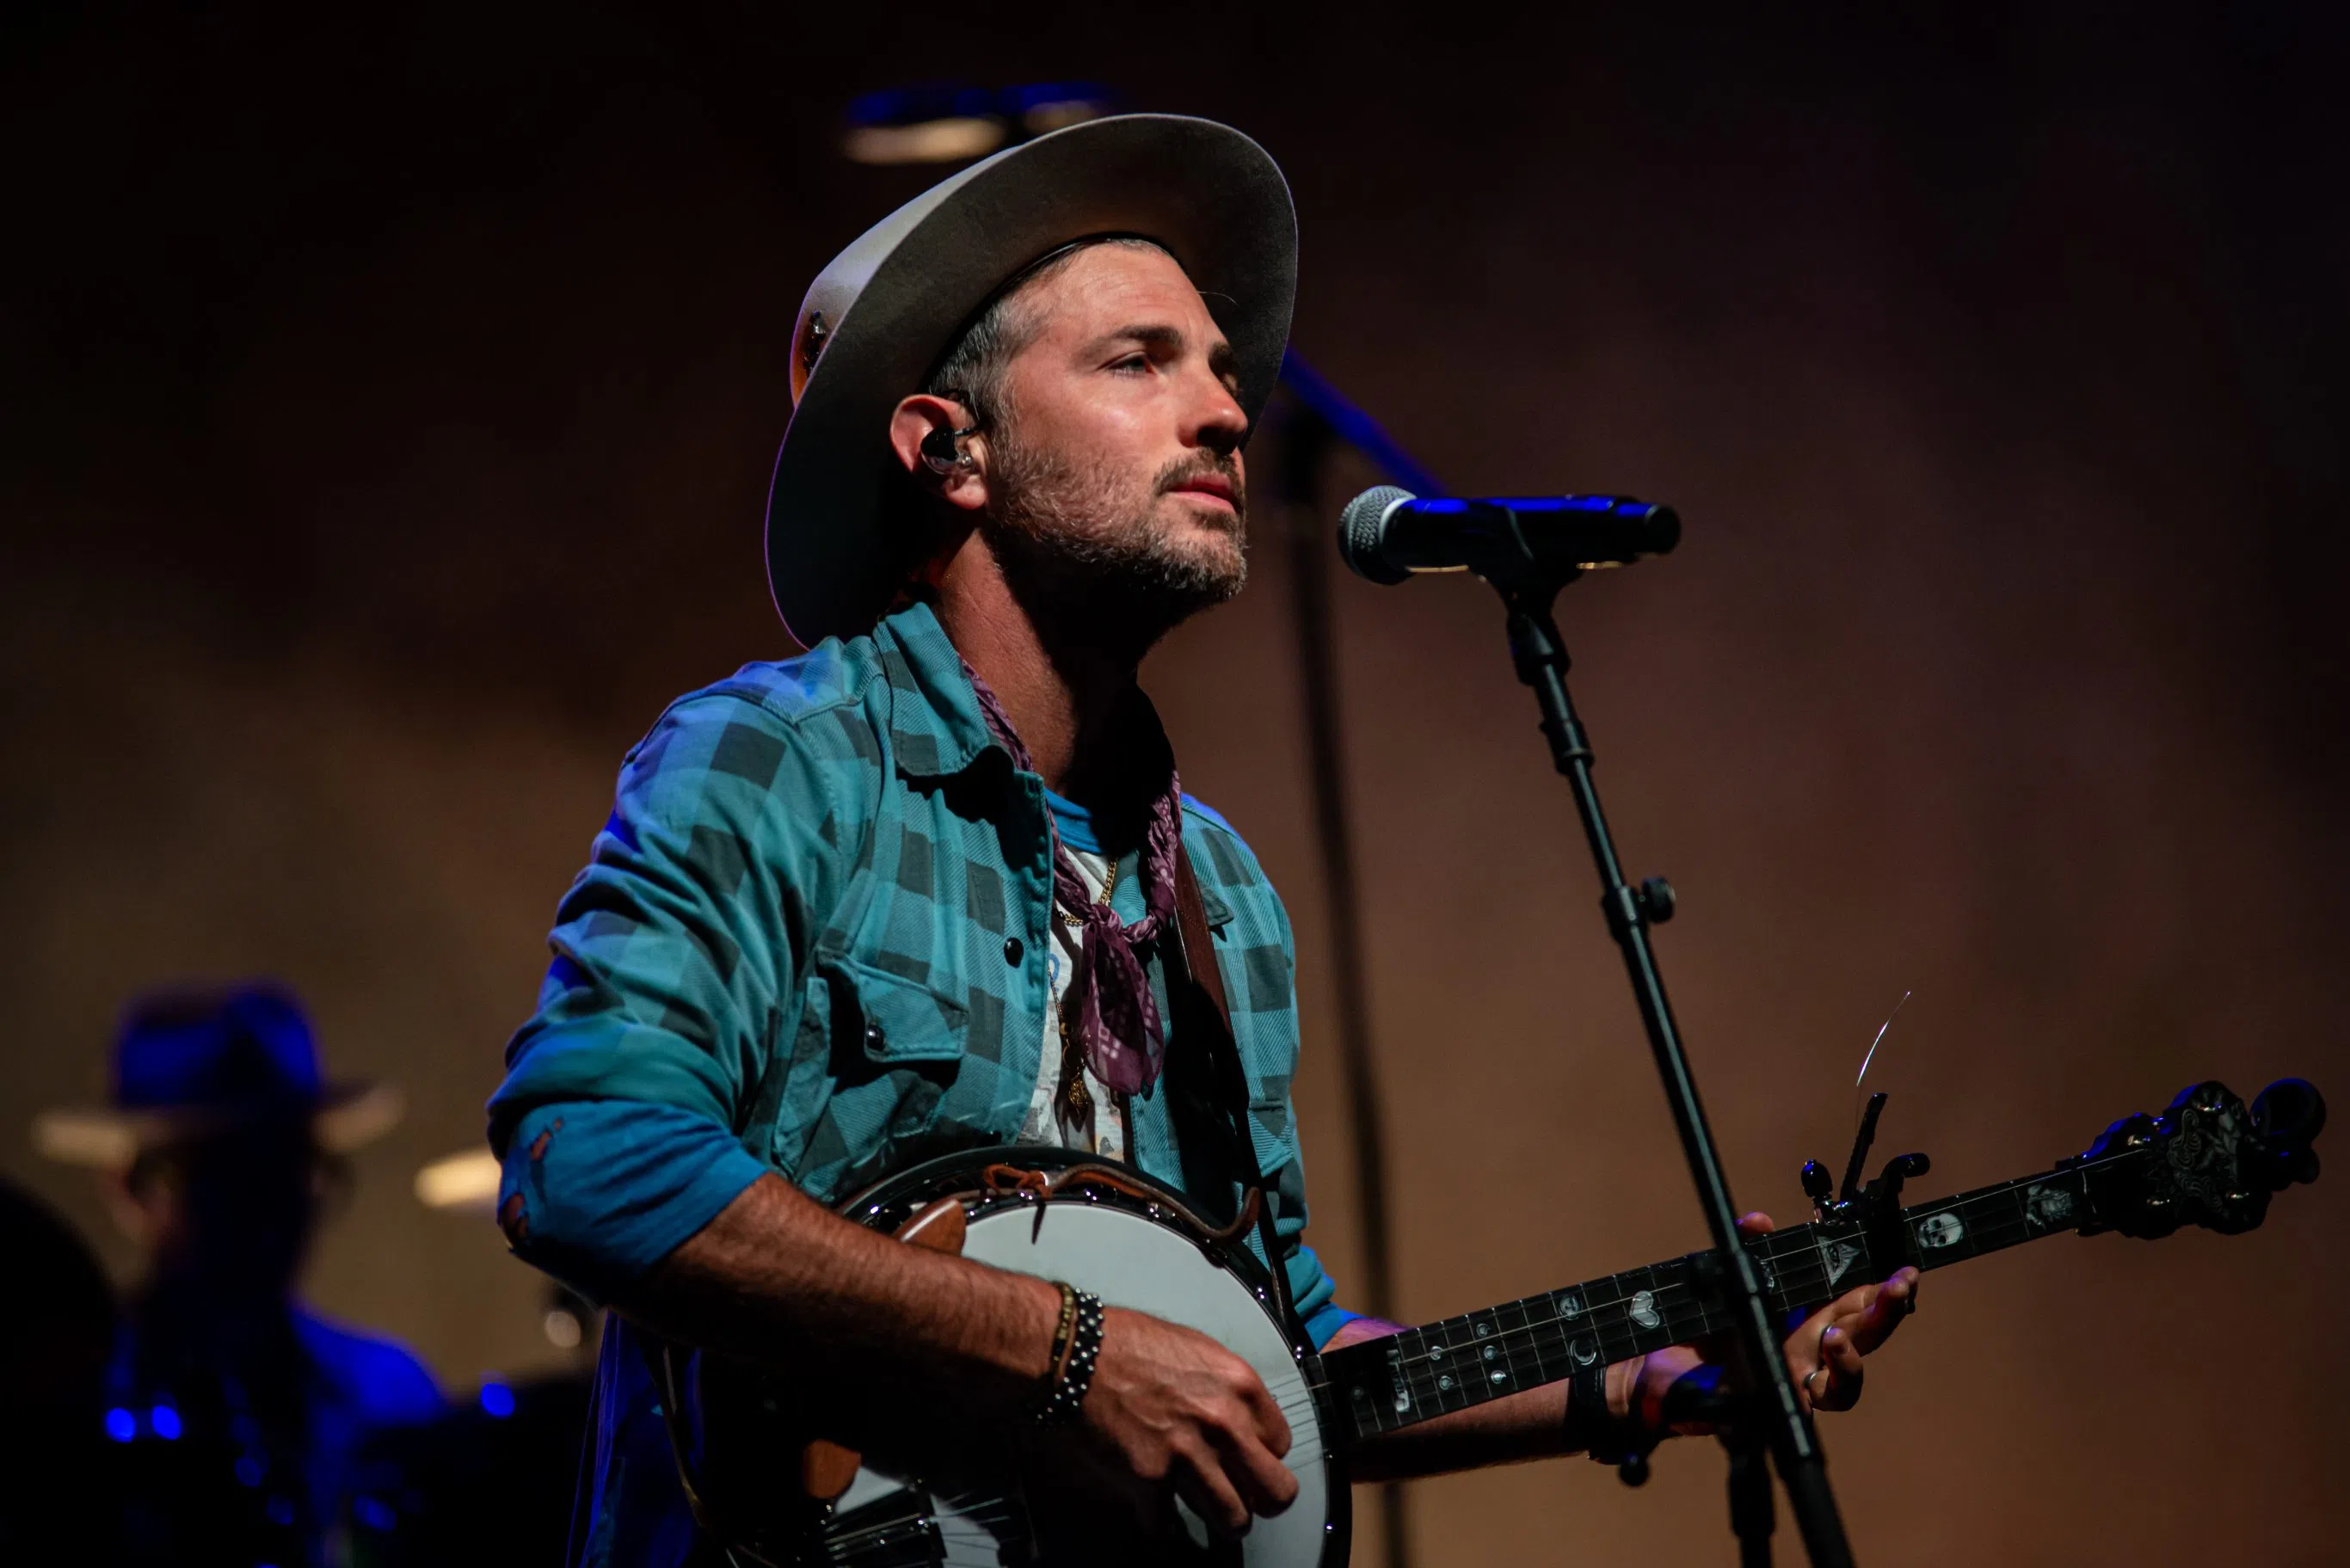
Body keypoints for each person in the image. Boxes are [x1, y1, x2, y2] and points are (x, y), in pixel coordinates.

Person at [487, 114, 1917, 1565]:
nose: (1227, 412)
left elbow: (1274, 1357)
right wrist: (1066, 1347)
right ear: (949, 447)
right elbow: (585, 1155)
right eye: (1139, 361)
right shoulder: (781, 762)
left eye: (1223, 370)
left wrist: (1645, 1379)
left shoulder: (1216, 894)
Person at [35, 983, 444, 1565]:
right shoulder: (62, 1407)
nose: (271, 1210)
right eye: (227, 1174)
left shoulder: (391, 1395)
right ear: (129, 1188)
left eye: (290, 1166)